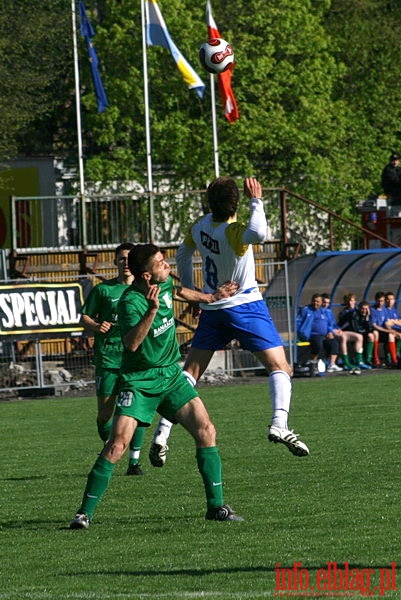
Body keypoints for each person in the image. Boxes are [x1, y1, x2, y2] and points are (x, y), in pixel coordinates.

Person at [70, 243, 243, 528]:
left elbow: (178, 291)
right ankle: (83, 514)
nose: (168, 266)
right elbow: (132, 343)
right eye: (161, 263)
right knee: (116, 445)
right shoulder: (130, 302)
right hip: (139, 380)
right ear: (147, 276)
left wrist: (211, 296)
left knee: (206, 430)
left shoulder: (163, 287)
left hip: (171, 376)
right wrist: (151, 310)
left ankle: (216, 507)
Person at [151, 176, 309, 462]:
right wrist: (257, 200)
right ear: (236, 202)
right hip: (244, 305)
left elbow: (184, 252)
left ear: (209, 202)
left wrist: (192, 289)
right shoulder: (235, 232)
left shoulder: (199, 226)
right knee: (281, 366)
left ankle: (162, 432)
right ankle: (279, 424)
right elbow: (259, 233)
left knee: (191, 372)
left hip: (213, 306)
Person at [80, 242, 146, 476]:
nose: (125, 263)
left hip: (134, 360)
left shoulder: (143, 289)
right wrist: (97, 325)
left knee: (136, 411)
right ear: (115, 262)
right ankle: (111, 447)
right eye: (121, 259)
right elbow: (84, 317)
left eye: (129, 259)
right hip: (108, 359)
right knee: (105, 416)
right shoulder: (103, 290)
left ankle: (134, 462)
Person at [298, 293, 344, 374]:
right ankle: (313, 363)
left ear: (321, 303)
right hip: (312, 335)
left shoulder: (323, 312)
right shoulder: (307, 310)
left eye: (317, 301)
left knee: (334, 343)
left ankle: (331, 364)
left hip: (324, 335)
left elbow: (329, 323)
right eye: (314, 301)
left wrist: (329, 332)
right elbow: (299, 322)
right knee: (318, 343)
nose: (315, 303)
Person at [335, 293, 371, 370]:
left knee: (371, 335)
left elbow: (368, 327)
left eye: (352, 300)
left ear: (355, 301)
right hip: (346, 333)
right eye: (349, 301)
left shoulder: (359, 311)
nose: (350, 302)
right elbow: (344, 325)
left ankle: (367, 360)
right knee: (356, 337)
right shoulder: (346, 313)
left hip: (355, 333)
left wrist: (367, 318)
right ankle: (348, 362)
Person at [370, 291, 397, 367]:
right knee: (376, 333)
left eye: (382, 301)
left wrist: (391, 330)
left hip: (383, 332)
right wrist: (387, 330)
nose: (380, 303)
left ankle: (394, 360)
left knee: (391, 335)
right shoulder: (372, 310)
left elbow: (386, 322)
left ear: (384, 301)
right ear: (375, 300)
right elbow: (374, 325)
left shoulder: (384, 309)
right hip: (375, 332)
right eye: (378, 301)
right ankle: (376, 359)